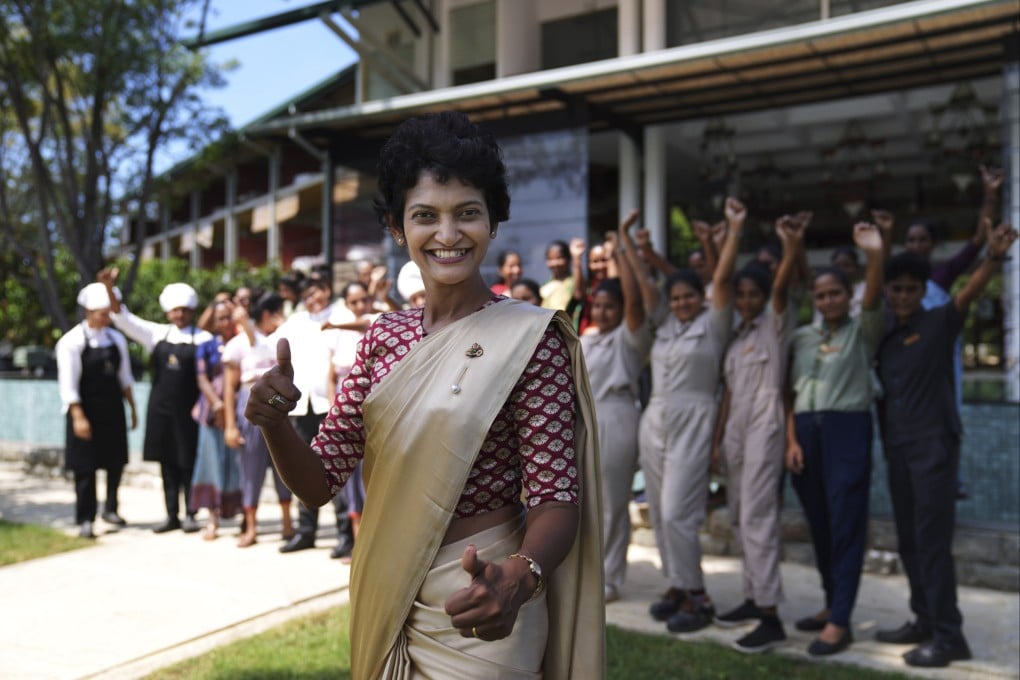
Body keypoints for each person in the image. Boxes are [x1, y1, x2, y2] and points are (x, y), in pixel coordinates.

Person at [244, 110, 603, 678]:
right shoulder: (383, 339)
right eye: (425, 216)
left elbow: (556, 496)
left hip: (479, 607)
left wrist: (522, 574)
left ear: (494, 220)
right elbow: (318, 482)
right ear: (396, 227)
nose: (448, 233)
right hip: (387, 591)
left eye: (467, 213)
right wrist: (274, 425)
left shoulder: (531, 339)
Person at [872, 222, 1017, 669]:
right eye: (894, 289)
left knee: (933, 543)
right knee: (910, 543)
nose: (901, 297)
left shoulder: (939, 323)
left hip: (933, 447)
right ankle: (924, 620)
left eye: (910, 289)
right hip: (899, 450)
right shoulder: (887, 339)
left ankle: (950, 635)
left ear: (922, 291)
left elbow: (967, 293)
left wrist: (991, 257)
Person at [640, 197, 743, 635]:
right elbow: (648, 292)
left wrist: (733, 232)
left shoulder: (715, 324)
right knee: (659, 512)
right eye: (675, 296)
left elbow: (722, 279)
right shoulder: (664, 325)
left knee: (678, 511)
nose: (681, 302)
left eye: (689, 296)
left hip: (695, 417)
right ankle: (678, 585)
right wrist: (631, 247)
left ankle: (698, 595)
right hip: (656, 417)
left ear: (701, 298)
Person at [785, 221, 885, 656]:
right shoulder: (803, 337)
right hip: (806, 433)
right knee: (822, 527)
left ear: (849, 297)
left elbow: (876, 295)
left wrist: (874, 253)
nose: (827, 300)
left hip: (847, 431)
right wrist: (792, 441)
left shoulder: (863, 332)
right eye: (821, 295)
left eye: (836, 294)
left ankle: (841, 621)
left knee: (846, 526)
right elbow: (790, 394)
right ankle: (831, 605)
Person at [709, 212, 801, 653]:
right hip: (736, 431)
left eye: (754, 295)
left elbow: (783, 288)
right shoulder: (735, 335)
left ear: (765, 297)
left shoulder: (776, 326)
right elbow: (727, 394)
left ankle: (770, 615)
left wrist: (788, 245)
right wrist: (716, 439)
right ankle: (751, 597)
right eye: (741, 294)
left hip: (765, 425)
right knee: (742, 516)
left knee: (759, 520)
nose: (746, 301)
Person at [99, 268, 212, 533]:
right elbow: (123, 318)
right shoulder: (157, 334)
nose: (179, 315)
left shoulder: (204, 339)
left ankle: (191, 514)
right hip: (161, 410)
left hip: (192, 411)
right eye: (175, 310)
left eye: (184, 310)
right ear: (167, 313)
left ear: (192, 311)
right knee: (167, 463)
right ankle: (171, 514)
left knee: (189, 462)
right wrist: (108, 288)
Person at [581, 210, 655, 604]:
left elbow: (636, 302)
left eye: (612, 305)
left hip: (619, 414)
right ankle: (588, 571)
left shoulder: (630, 339)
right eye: (599, 305)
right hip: (586, 417)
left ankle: (611, 577)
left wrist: (621, 247)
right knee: (584, 502)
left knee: (612, 502)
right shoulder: (587, 340)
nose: (603, 312)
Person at [277, 275, 356, 558]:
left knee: (336, 468)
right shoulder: (296, 322)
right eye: (306, 295)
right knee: (301, 468)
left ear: (325, 289)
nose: (311, 299)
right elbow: (272, 347)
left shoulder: (341, 316)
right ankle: (305, 531)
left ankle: (346, 534)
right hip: (302, 405)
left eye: (315, 292)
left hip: (329, 404)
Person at [55, 282, 138, 538]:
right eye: (103, 314)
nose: (107, 318)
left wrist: (132, 408)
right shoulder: (71, 342)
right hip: (85, 411)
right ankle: (85, 518)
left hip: (112, 409)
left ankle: (111, 509)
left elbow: (124, 377)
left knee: (115, 462)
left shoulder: (116, 339)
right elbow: (68, 385)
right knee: (86, 467)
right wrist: (78, 416)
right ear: (88, 312)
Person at [223, 293, 294, 548]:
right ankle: (251, 527)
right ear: (268, 314)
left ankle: (288, 523)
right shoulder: (236, 344)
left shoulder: (279, 340)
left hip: (276, 402)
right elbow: (230, 388)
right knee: (251, 469)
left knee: (282, 466)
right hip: (249, 401)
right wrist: (230, 425)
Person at [189, 299, 243, 541]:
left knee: (238, 465)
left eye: (228, 317)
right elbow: (202, 378)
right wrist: (218, 404)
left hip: (240, 412)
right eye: (220, 318)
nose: (225, 322)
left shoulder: (243, 343)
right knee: (210, 464)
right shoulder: (207, 345)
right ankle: (212, 519)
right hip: (210, 413)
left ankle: (242, 517)